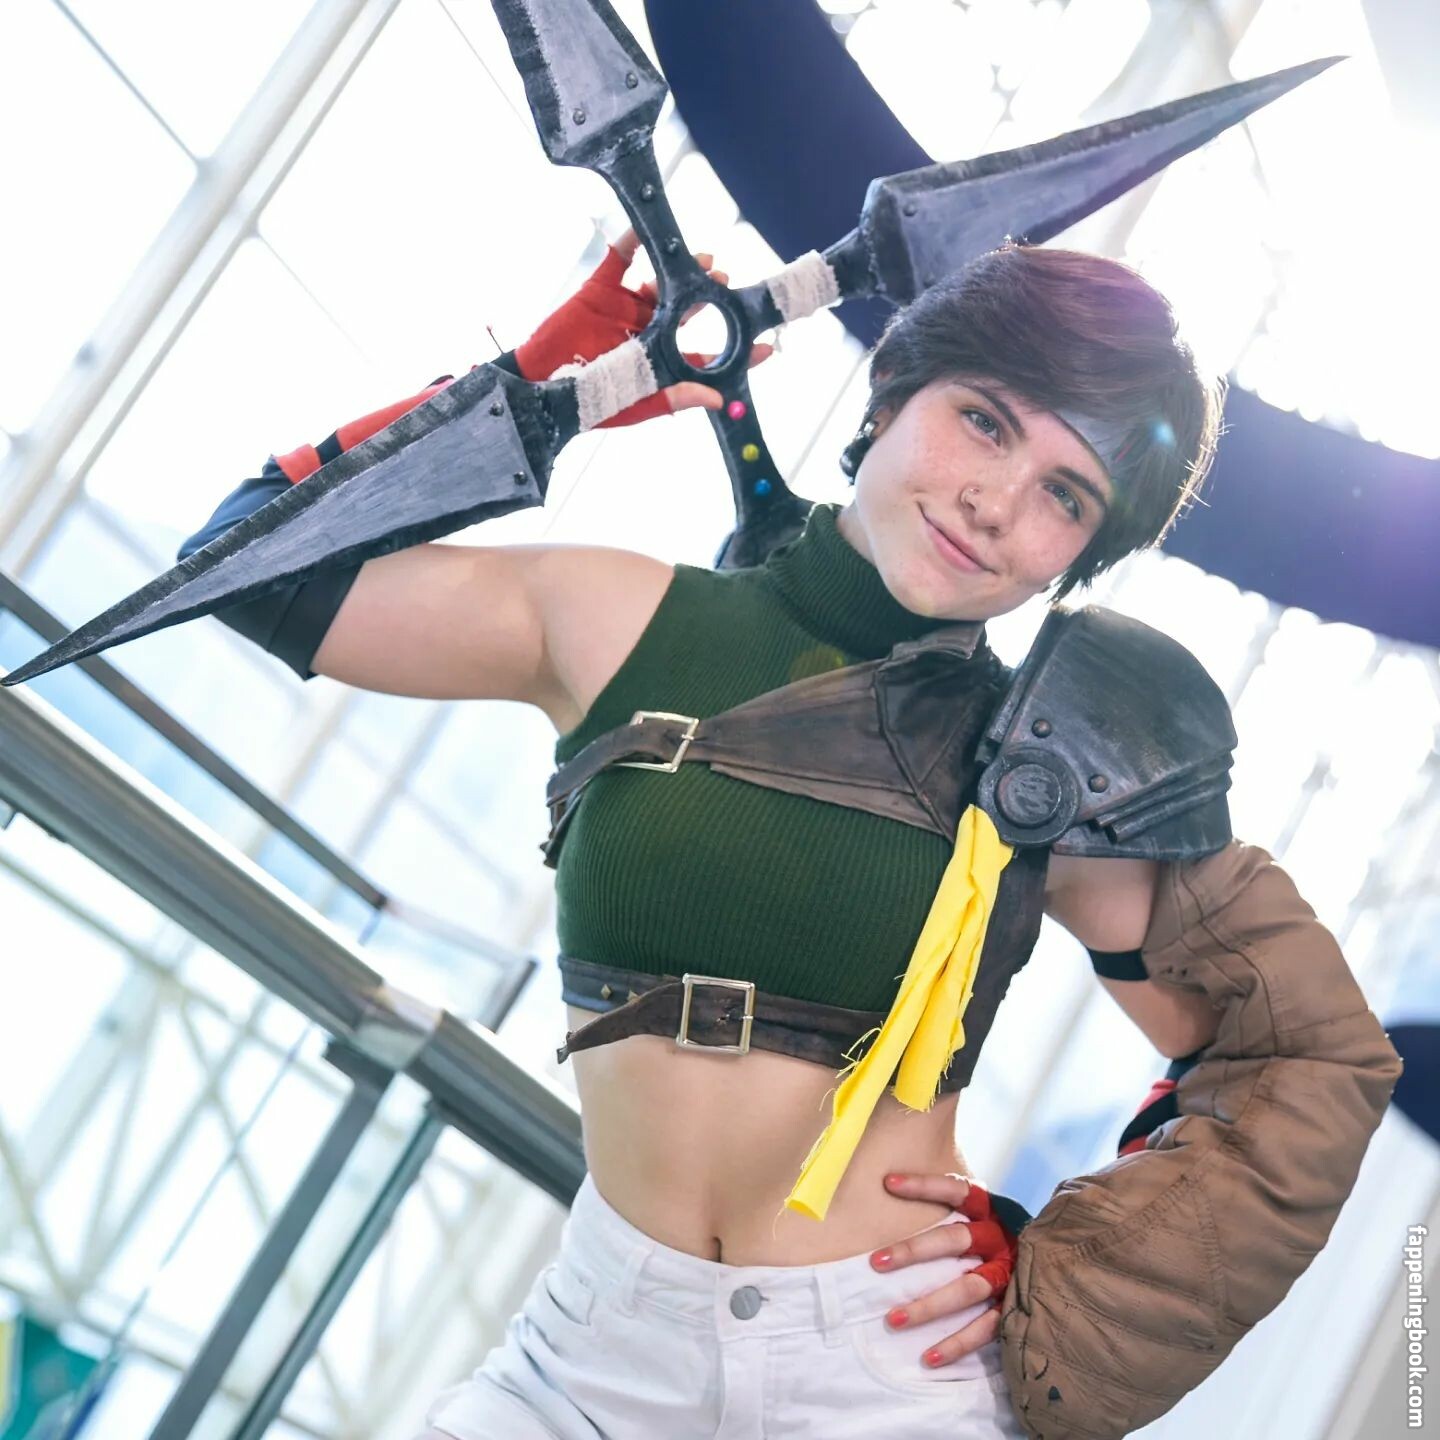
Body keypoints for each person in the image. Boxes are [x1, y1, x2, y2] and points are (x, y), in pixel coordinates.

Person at [173, 232, 1395, 1440]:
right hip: (588, 1363)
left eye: (1065, 496)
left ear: (1082, 554)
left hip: (892, 1375)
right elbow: (246, 565)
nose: (995, 503)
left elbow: (1304, 1058)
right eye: (984, 421)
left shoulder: (1061, 761)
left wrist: (1079, 1277)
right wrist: (538, 399)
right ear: (893, 387)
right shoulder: (615, 620)